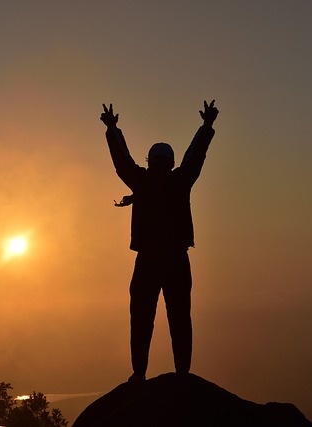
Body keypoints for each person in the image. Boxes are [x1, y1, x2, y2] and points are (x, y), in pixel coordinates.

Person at [100, 100, 219, 382]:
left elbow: (122, 161)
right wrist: (206, 126)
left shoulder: (141, 181)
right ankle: (182, 375)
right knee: (179, 318)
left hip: (148, 261)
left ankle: (139, 374)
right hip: (177, 259)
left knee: (141, 318)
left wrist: (113, 129)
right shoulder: (181, 180)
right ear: (171, 163)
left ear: (149, 161)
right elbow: (195, 157)